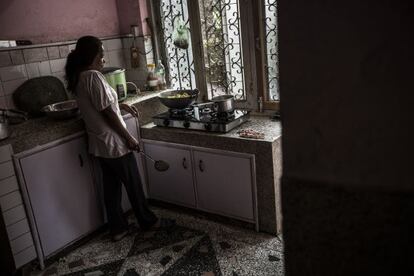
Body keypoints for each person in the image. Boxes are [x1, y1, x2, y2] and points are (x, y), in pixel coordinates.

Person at [65, 36, 174, 241]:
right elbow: (106, 111)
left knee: (111, 189)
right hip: (114, 143)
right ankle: (148, 222)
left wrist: (121, 105)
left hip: (99, 145)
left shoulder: (79, 77)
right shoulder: (93, 76)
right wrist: (128, 137)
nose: (104, 59)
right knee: (133, 183)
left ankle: (118, 229)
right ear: (93, 55)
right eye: (101, 54)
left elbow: (101, 105)